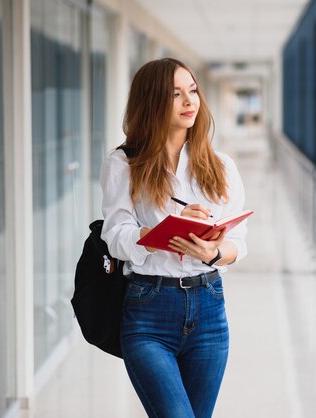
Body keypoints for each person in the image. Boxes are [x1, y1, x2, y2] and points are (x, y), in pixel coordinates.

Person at [100, 57, 247, 418]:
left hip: (209, 308)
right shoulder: (123, 163)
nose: (189, 101)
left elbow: (239, 244)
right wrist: (164, 229)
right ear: (151, 102)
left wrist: (214, 252)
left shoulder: (221, 166)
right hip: (149, 309)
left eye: (192, 91)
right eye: (176, 94)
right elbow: (115, 236)